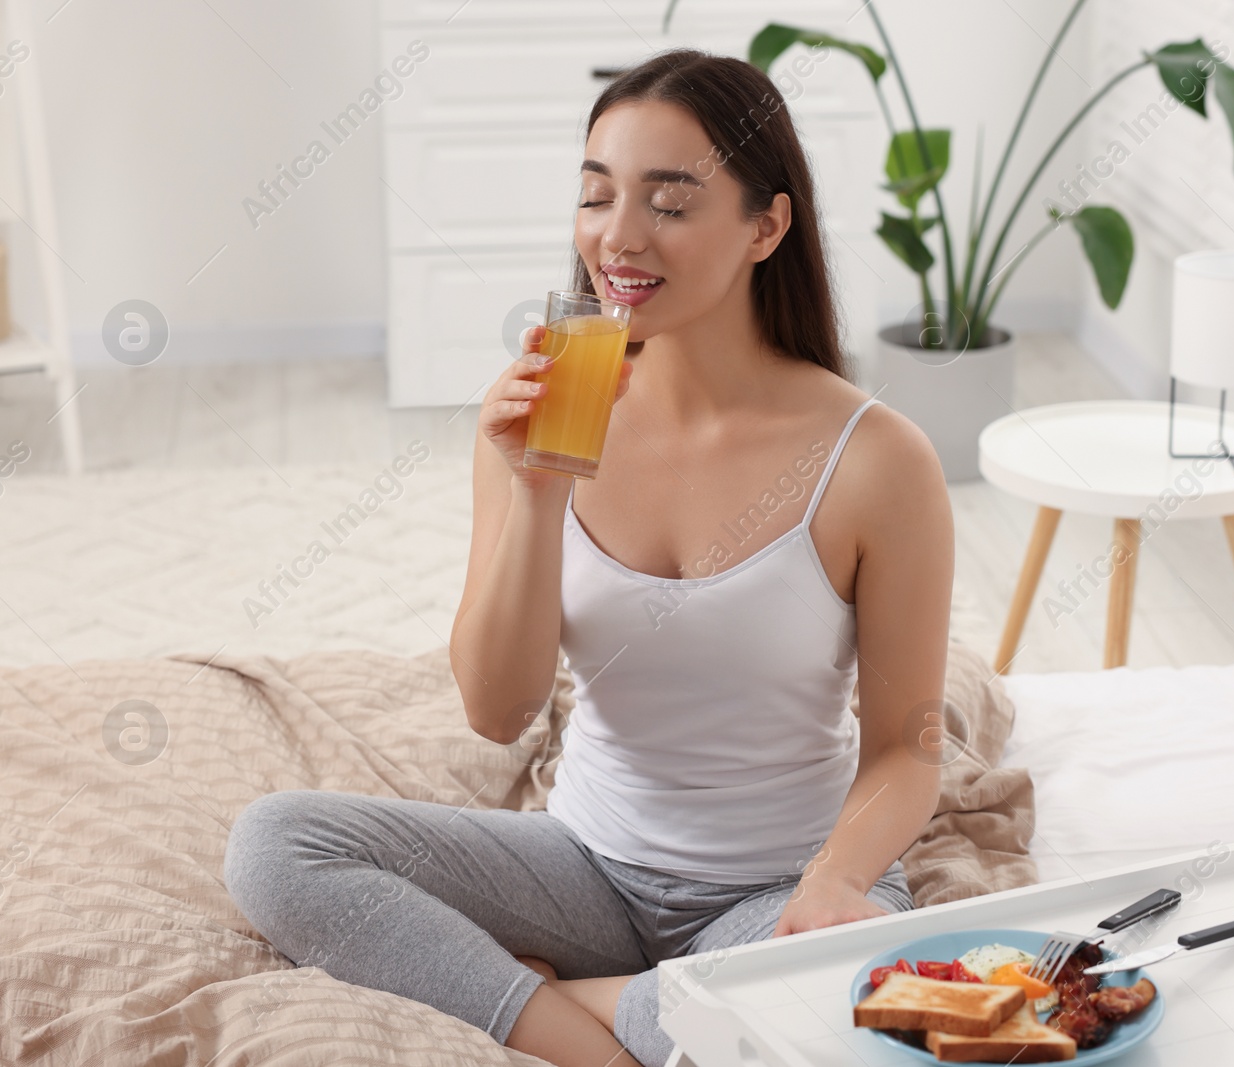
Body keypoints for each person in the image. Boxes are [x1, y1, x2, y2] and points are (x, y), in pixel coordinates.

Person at [224, 47, 953, 1067]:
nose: (618, 237)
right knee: (275, 844)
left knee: (813, 1016)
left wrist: (836, 878)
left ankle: (577, 998)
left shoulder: (877, 459)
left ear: (765, 225)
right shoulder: (545, 409)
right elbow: (495, 708)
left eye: (668, 201)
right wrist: (535, 489)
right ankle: (610, 1028)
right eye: (596, 195)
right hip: (588, 865)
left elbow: (908, 745)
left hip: (782, 885)